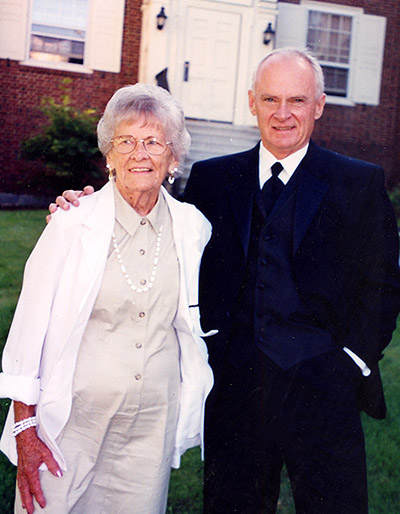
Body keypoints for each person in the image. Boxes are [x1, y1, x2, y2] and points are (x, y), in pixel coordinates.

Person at [50, 48, 400, 514]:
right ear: (251, 102)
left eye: (296, 100)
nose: (282, 113)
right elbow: (154, 228)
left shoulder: (358, 182)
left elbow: (381, 286)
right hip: (235, 387)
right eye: (270, 99)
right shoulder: (214, 179)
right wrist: (81, 207)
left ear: (318, 105)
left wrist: (350, 363)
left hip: (322, 387)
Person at [0, 83, 215, 514]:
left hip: (149, 430)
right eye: (126, 141)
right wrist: (26, 428)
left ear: (173, 158)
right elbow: (28, 332)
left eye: (153, 142)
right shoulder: (71, 224)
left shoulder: (194, 228)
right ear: (109, 156)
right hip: (69, 425)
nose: (140, 153)